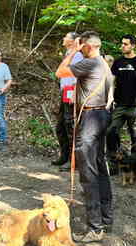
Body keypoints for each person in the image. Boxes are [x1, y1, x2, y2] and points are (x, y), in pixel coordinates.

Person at [56, 31, 113, 243]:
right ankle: (106, 218)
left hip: (90, 118)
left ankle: (95, 227)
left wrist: (72, 51)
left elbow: (60, 72)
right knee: (99, 166)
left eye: (81, 46)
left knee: (88, 172)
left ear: (87, 47)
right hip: (101, 115)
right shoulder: (104, 64)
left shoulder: (89, 63)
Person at [106, 34, 136, 158]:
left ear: (133, 45)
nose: (123, 46)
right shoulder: (118, 62)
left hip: (135, 106)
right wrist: (110, 98)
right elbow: (111, 82)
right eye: (122, 43)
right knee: (111, 132)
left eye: (125, 44)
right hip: (119, 105)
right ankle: (112, 160)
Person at [52, 32, 83, 168]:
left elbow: (78, 76)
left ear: (73, 40)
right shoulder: (68, 54)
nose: (63, 38)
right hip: (64, 92)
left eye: (66, 37)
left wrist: (74, 94)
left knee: (71, 128)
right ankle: (64, 156)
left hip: (71, 94)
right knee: (61, 127)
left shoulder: (77, 55)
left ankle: (74, 161)